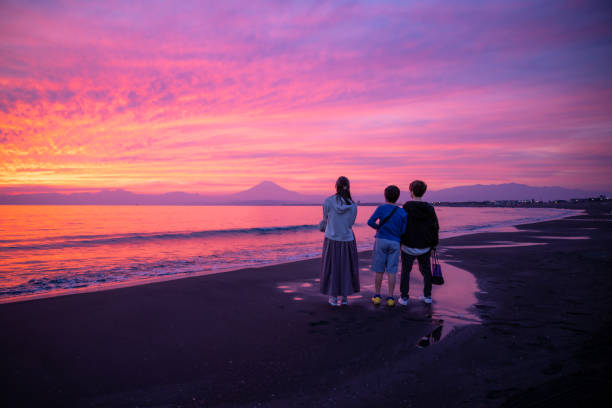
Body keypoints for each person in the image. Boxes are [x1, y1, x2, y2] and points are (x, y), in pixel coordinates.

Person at [398, 180, 439, 305]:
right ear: (423, 192)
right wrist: (433, 245)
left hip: (407, 245)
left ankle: (404, 298)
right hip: (425, 246)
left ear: (411, 191)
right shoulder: (429, 208)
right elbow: (435, 227)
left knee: (406, 271)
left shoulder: (406, 207)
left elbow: (401, 225)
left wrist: (399, 240)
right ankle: (427, 296)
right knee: (426, 271)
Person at [320, 176, 359, 306]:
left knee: (332, 268)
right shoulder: (352, 205)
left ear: (336, 186)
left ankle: (333, 297)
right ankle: (345, 297)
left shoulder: (328, 201)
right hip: (347, 239)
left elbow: (325, 218)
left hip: (332, 238)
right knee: (346, 267)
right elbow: (351, 223)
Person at [367, 185, 407, 307]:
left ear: (385, 196)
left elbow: (370, 222)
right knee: (392, 270)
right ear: (397, 197)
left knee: (379, 269)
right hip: (395, 242)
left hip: (381, 240)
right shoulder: (402, 211)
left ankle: (377, 296)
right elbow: (403, 230)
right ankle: (390, 298)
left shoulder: (381, 208)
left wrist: (378, 228)